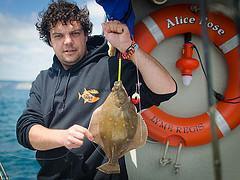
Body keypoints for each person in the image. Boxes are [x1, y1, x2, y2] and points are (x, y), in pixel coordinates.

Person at [16, 0, 177, 179]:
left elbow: (166, 89)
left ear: (86, 35)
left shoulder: (111, 68)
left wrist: (129, 47)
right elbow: (25, 130)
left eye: (75, 33)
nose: (68, 41)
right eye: (58, 36)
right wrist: (62, 137)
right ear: (50, 41)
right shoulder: (43, 80)